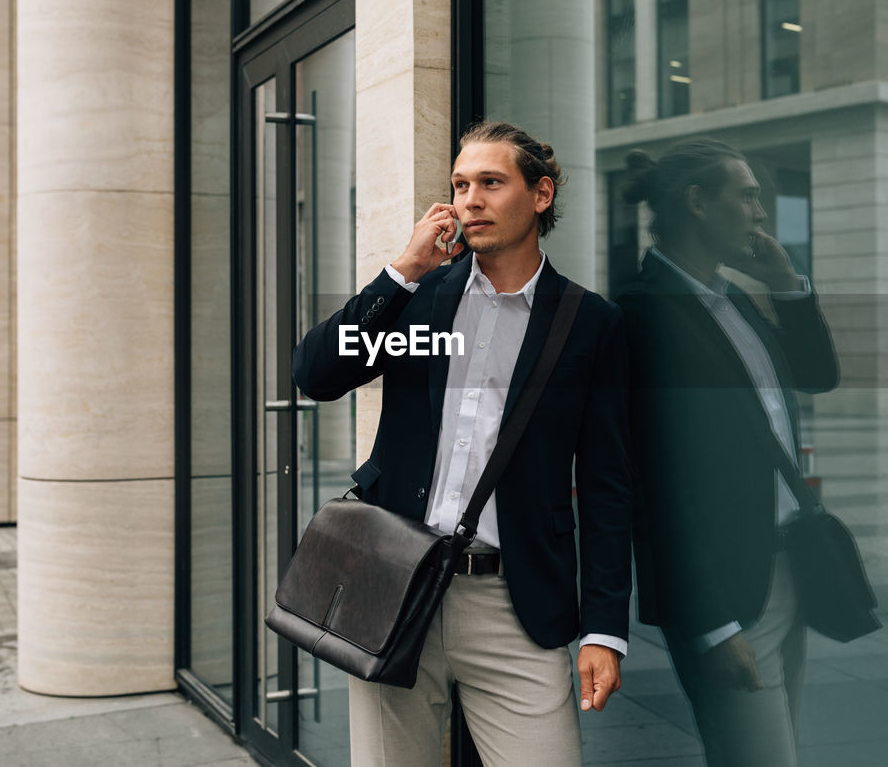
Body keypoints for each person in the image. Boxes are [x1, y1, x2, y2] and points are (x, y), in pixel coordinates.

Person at [292, 120, 633, 766]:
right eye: (460, 183)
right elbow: (316, 373)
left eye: (491, 182)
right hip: (393, 588)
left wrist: (605, 627)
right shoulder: (419, 303)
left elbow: (609, 487)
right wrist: (403, 269)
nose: (469, 197)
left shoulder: (588, 324)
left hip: (515, 603)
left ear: (541, 195)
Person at [614, 139, 840, 766]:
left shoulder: (733, 300)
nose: (760, 212)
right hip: (729, 595)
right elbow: (654, 486)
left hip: (784, 570)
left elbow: (817, 374)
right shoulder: (642, 313)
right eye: (745, 195)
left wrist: (786, 284)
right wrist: (708, 622)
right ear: (697, 202)